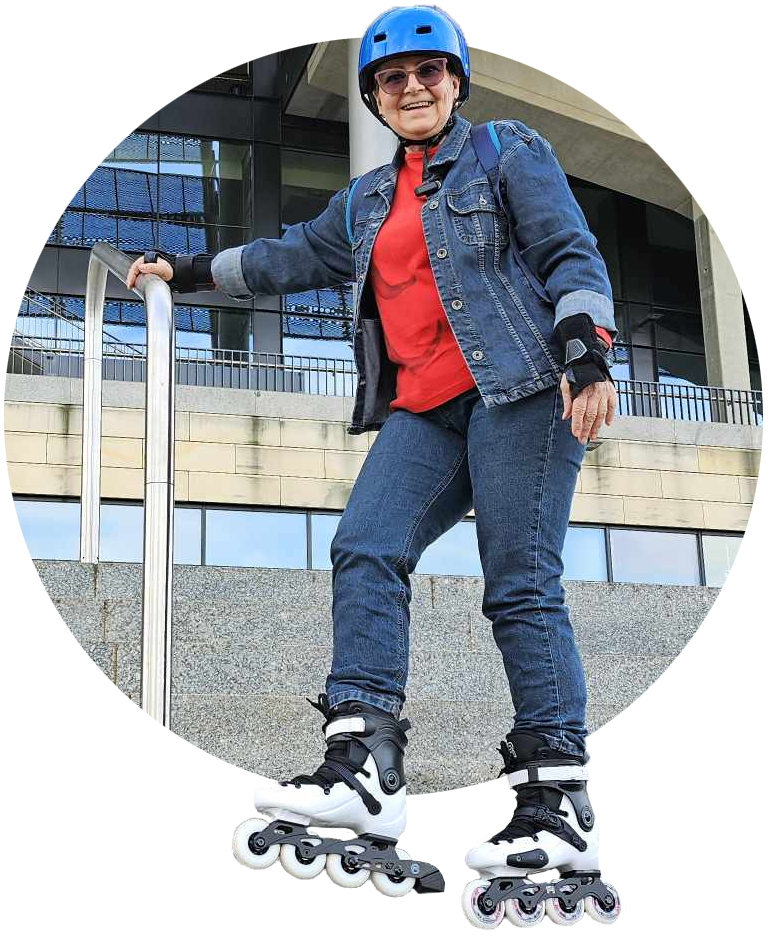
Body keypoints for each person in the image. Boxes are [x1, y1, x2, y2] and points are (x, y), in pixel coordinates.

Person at [128, 6, 623, 920]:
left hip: (522, 390)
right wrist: (184, 273)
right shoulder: (363, 200)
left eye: (429, 72)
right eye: (393, 79)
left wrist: (585, 349)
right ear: (376, 97)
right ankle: (363, 768)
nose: (413, 88)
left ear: (455, 81)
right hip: (423, 410)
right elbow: (285, 258)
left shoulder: (505, 151)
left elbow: (568, 251)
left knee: (519, 584)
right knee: (364, 546)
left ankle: (559, 802)